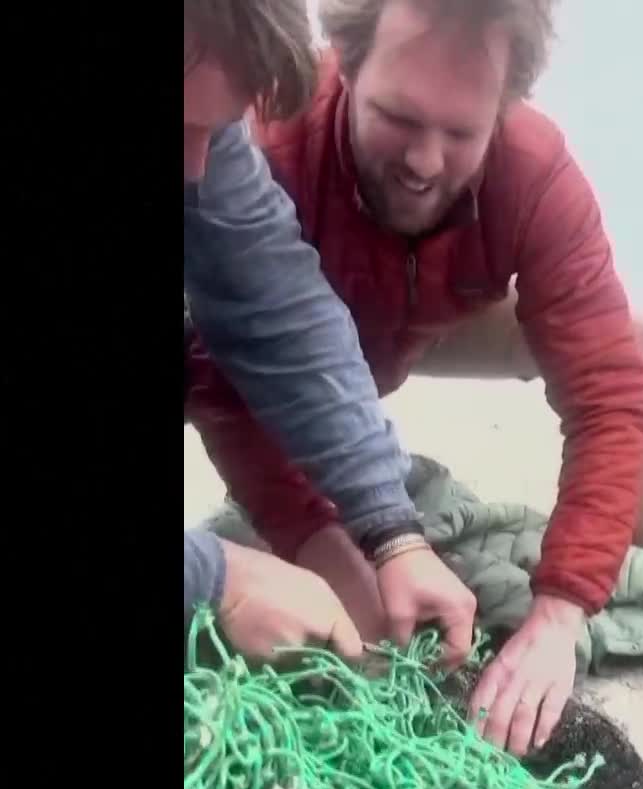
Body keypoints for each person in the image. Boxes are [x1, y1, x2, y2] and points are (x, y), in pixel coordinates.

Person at [184, 0, 643, 757]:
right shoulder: (265, 126)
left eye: (461, 132)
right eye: (399, 119)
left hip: (412, 330)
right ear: (344, 66)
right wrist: (267, 561)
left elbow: (273, 313)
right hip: (244, 345)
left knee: (630, 353)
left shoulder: (533, 169)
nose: (425, 161)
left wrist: (553, 608)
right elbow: (224, 367)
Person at [182, 0, 476, 667]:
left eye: (217, 131)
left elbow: (272, 304)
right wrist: (217, 578)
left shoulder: (204, 150)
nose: (195, 173)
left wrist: (393, 531)